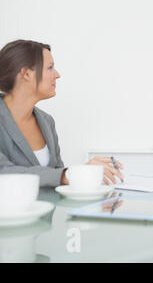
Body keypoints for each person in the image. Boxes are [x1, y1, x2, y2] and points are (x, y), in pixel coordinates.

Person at [0, 40, 123, 187]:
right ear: (26, 74)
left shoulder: (46, 122)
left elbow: (57, 178)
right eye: (50, 68)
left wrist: (83, 176)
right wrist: (71, 174)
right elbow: (4, 172)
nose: (57, 75)